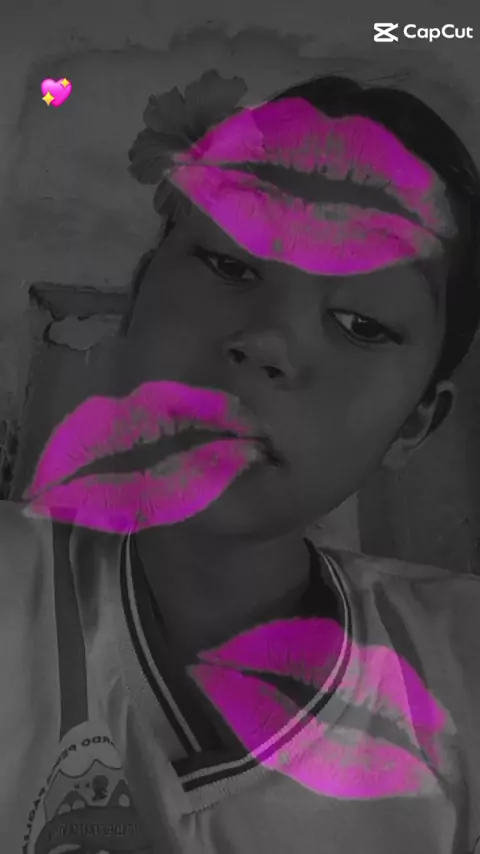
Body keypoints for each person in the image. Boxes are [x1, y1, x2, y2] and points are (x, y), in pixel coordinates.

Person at [2, 67, 480, 854]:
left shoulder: (460, 674)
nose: (266, 342)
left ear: (417, 421)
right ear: (139, 293)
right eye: (229, 265)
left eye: (361, 324)